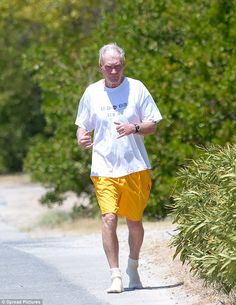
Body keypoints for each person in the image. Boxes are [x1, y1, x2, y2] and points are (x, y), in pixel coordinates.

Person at [75, 43, 162, 293]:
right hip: (103, 167)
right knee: (109, 218)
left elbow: (153, 124)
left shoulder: (137, 88)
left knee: (134, 221)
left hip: (135, 167)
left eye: (118, 66)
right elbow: (83, 125)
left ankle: (132, 266)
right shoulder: (91, 92)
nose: (114, 71)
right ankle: (115, 275)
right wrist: (82, 137)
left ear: (123, 65)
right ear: (101, 67)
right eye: (109, 67)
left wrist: (134, 128)